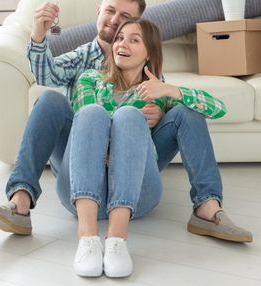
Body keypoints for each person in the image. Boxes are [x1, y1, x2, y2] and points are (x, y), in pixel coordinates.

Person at [0, 0, 252, 244]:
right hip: (83, 163)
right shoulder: (87, 72)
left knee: (184, 113)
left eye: (129, 28)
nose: (117, 28)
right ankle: (20, 203)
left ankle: (208, 206)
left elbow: (209, 109)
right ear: (99, 11)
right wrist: (38, 35)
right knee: (51, 101)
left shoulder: (152, 82)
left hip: (134, 171)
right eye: (112, 14)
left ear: (146, 47)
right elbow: (48, 77)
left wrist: (164, 102)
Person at [60, 17, 228, 277]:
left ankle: (117, 239)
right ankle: (88, 239)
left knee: (177, 112)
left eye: (133, 39)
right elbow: (88, 132)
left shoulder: (157, 93)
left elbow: (219, 109)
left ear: (150, 52)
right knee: (96, 113)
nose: (121, 44)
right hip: (84, 189)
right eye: (119, 38)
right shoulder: (90, 79)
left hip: (136, 196)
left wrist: (170, 91)